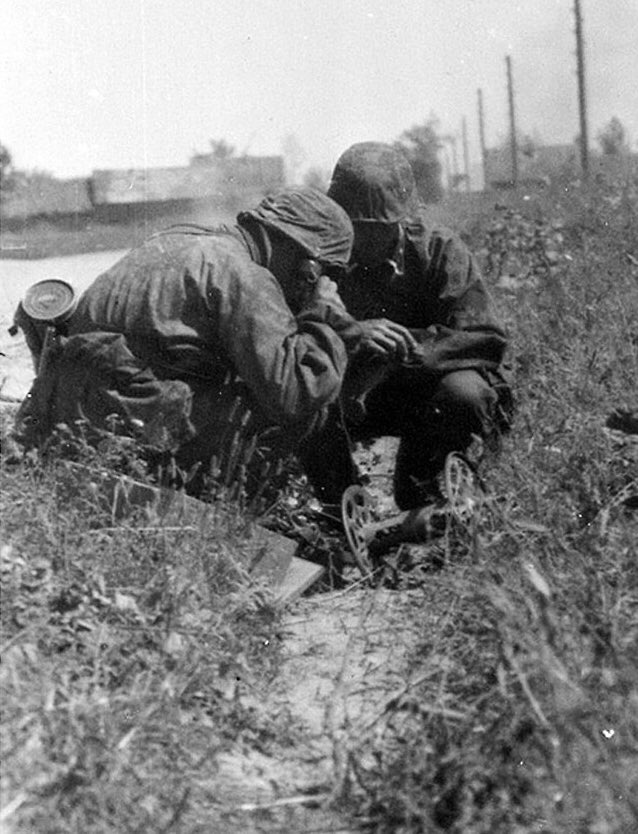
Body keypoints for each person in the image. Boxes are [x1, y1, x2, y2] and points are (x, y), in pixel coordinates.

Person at [14, 186, 363, 497]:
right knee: (312, 401)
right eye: (324, 273)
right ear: (308, 263)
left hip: (70, 421)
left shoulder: (173, 240)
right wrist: (322, 320)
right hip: (132, 426)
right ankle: (246, 517)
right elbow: (294, 392)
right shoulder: (247, 275)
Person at [297, 141, 514, 510]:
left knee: (466, 394)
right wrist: (353, 333)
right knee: (305, 404)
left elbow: (483, 338)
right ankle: (344, 517)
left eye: (375, 228)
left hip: (426, 392)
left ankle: (423, 492)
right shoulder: (323, 260)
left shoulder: (440, 251)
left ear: (401, 218)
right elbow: (290, 340)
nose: (360, 238)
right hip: (358, 393)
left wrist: (400, 347)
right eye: (352, 225)